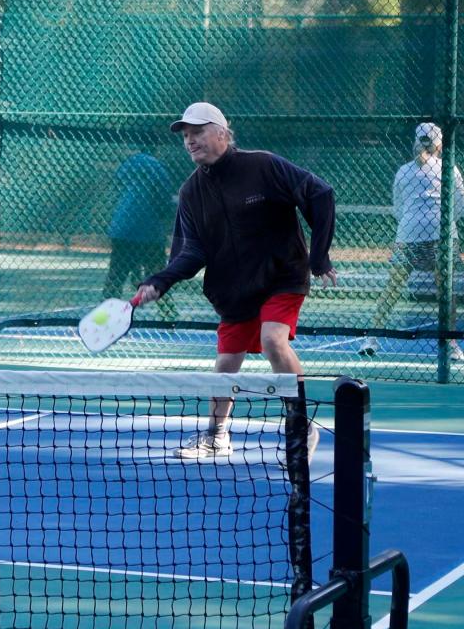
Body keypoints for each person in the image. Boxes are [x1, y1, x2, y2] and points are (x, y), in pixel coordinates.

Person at [133, 102, 337, 460]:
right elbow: (190, 253)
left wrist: (319, 258)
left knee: (272, 339)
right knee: (226, 363)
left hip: (281, 276)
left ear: (223, 133)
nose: (190, 141)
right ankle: (217, 435)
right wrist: (160, 281)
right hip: (234, 291)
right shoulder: (192, 193)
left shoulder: (264, 165)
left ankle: (300, 423)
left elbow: (320, 194)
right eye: (185, 135)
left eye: (197, 132)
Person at [358, 123, 464, 361]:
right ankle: (450, 344)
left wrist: (413, 223)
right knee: (445, 290)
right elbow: (460, 204)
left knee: (393, 288)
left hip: (409, 235)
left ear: (416, 142)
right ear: (439, 145)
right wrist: (444, 224)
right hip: (442, 236)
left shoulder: (403, 171)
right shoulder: (450, 169)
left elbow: (399, 208)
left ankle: (372, 338)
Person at [102, 152, 178, 320]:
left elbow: (116, 191)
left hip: (123, 227)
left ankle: (104, 314)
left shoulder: (127, 165)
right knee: (157, 273)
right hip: (148, 230)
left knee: (116, 274)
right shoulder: (158, 168)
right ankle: (168, 313)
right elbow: (163, 201)